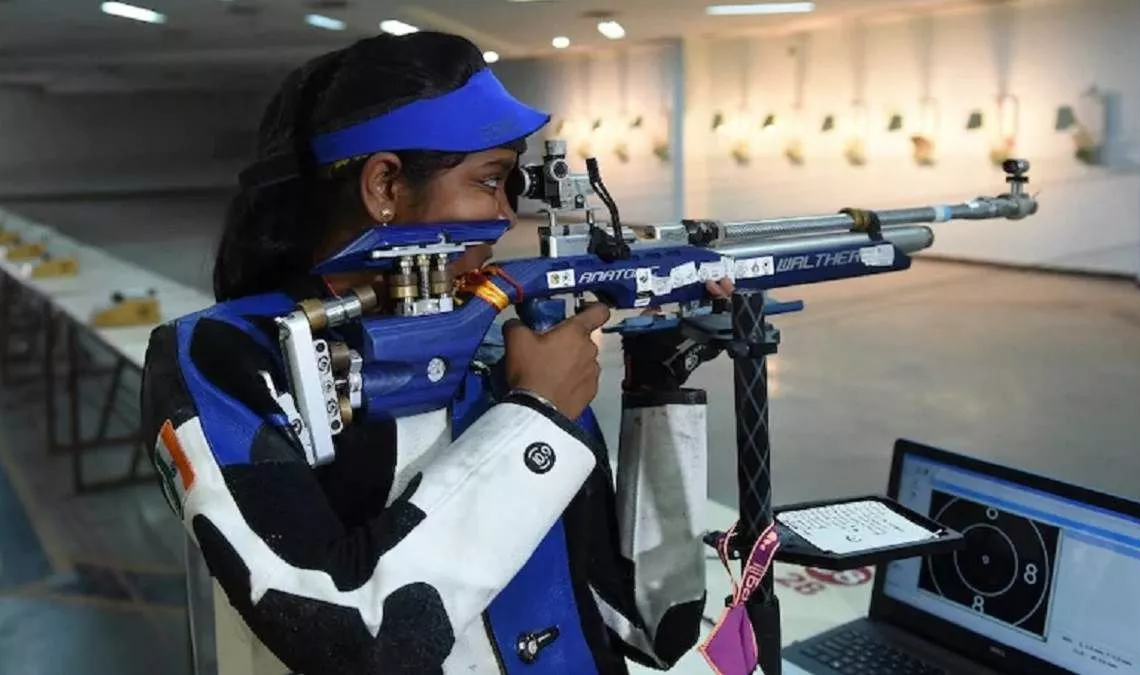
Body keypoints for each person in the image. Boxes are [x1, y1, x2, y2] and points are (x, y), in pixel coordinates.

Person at [140, 31, 730, 675]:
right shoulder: (224, 356)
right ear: (385, 185)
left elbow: (651, 622)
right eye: (490, 181)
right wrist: (534, 418)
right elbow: (351, 639)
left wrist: (659, 381)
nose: (505, 216)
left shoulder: (493, 338)